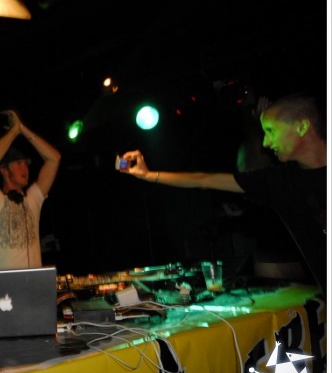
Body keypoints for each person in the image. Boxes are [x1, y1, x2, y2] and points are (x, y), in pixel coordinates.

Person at [119, 93, 327, 293]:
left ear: (302, 126)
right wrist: (148, 175)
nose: (266, 142)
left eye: (271, 131)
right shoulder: (278, 181)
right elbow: (204, 180)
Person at [0, 110, 61, 269]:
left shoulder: (33, 198)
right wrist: (13, 132)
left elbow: (54, 159)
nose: (25, 168)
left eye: (26, 164)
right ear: (4, 170)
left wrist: (22, 129)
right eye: (19, 164)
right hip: (4, 283)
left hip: (34, 281)